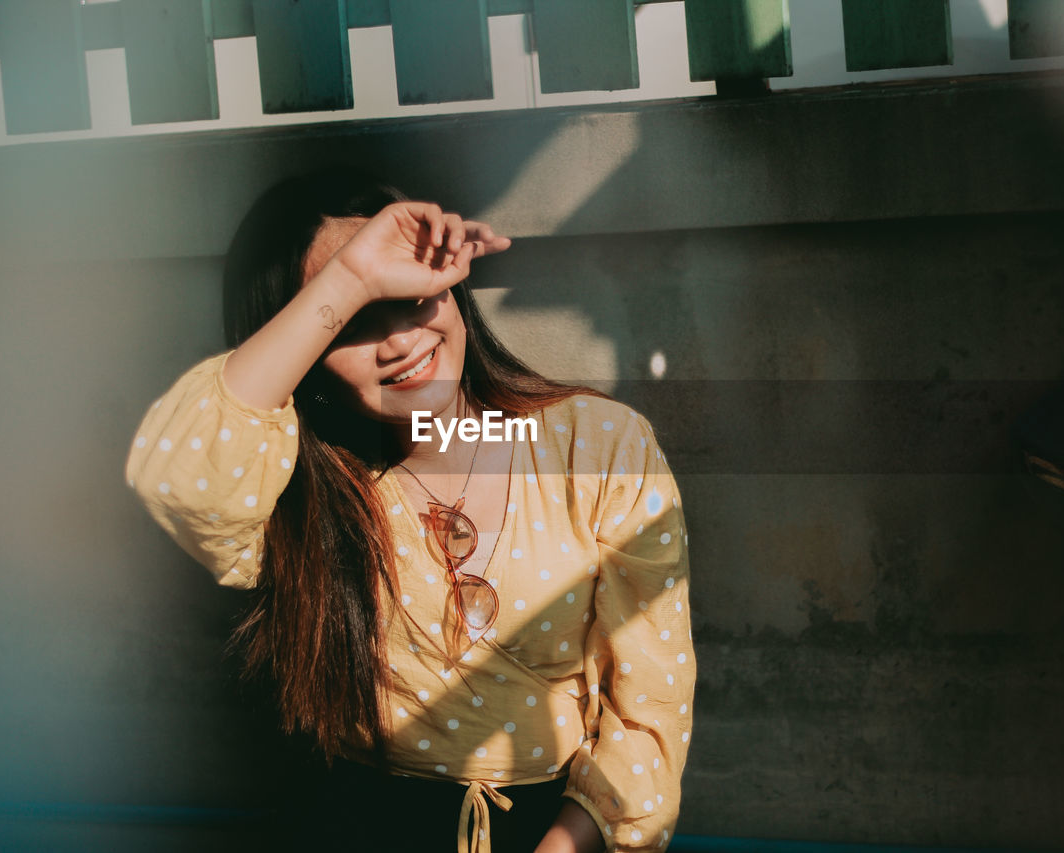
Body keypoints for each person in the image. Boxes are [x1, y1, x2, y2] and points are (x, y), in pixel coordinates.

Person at [126, 171, 694, 853]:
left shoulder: (599, 446)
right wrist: (349, 277)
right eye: (354, 318)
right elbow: (177, 478)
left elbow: (648, 707)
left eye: (411, 294)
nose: (399, 340)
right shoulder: (307, 491)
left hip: (559, 833)